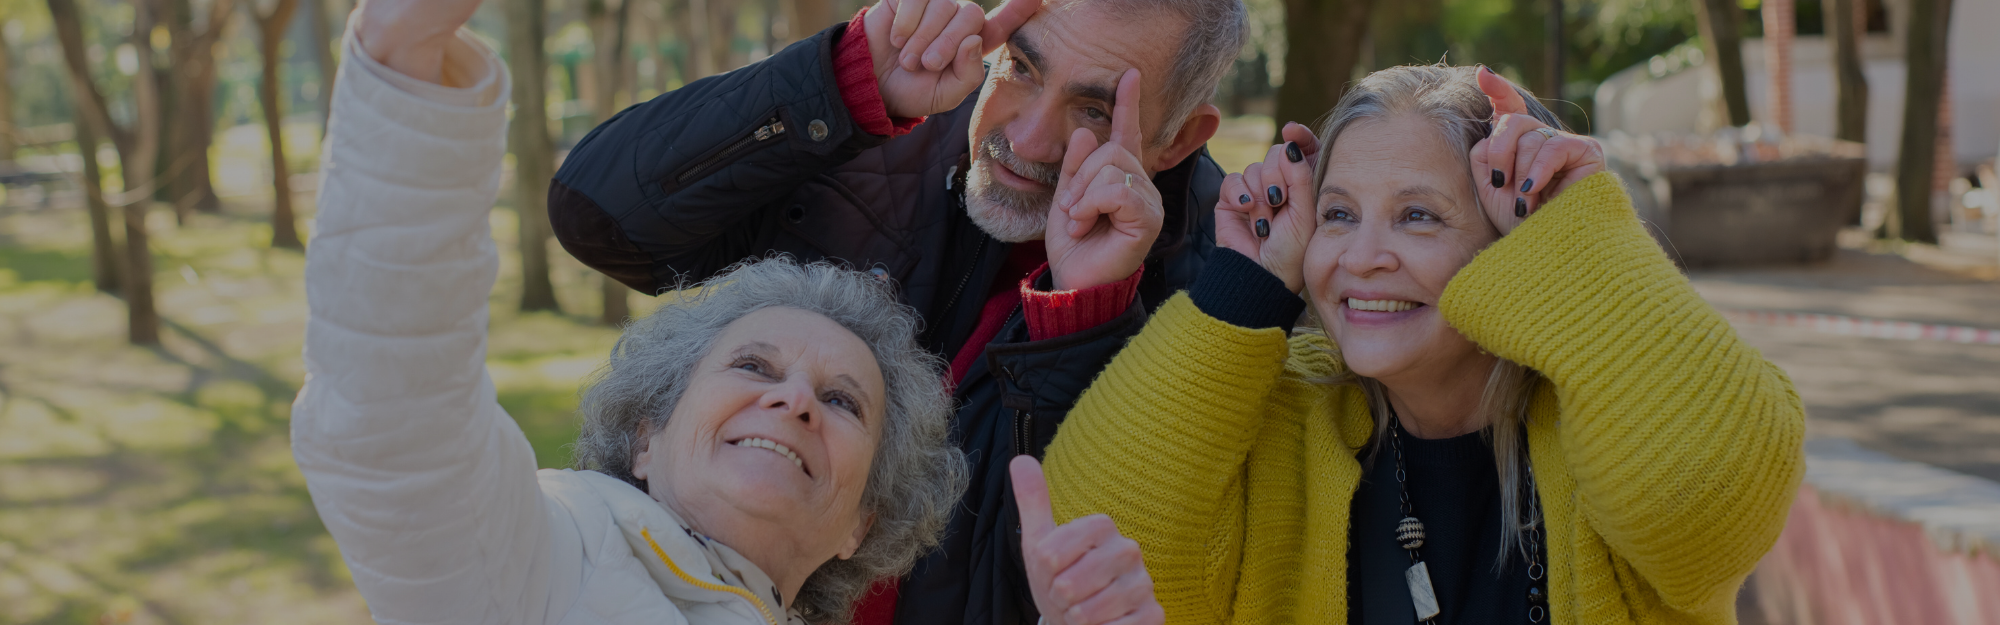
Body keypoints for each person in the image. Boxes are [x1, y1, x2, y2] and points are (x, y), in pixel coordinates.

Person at [292, 2, 1164, 623]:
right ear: (644, 435)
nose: (794, 402)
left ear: (864, 522)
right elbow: (388, 421)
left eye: (843, 401)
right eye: (753, 365)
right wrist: (403, 66)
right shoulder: (539, 563)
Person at [545, 0, 1253, 621]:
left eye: (1094, 110)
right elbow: (600, 219)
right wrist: (842, 82)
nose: (1029, 140)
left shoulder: (1223, 297)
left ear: (1179, 139)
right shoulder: (881, 127)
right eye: (1023, 69)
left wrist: (1082, 318)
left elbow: (1056, 581)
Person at [1040, 64, 1808, 624]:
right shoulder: (1285, 410)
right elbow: (1098, 530)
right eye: (1338, 214)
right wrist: (1244, 285)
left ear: (1514, 237)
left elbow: (1711, 502)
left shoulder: (1609, 421)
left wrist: (1581, 234)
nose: (1362, 255)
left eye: (1418, 217)